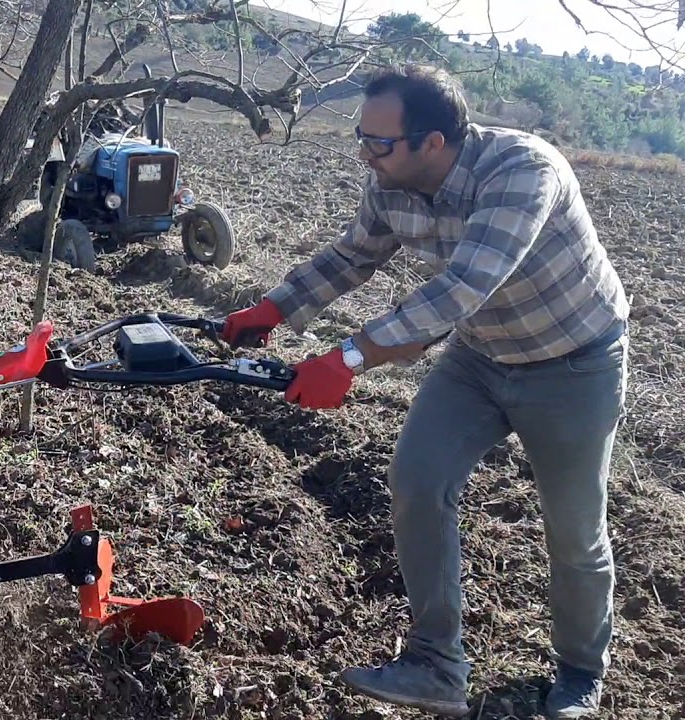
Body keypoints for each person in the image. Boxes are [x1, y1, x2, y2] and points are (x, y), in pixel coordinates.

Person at [222, 64, 629, 719]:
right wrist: (273, 307)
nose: (365, 154)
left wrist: (349, 358)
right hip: (478, 357)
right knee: (416, 481)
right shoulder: (390, 180)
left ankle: (581, 673)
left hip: (572, 362)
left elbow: (463, 287)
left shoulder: (523, 172)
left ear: (433, 143)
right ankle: (437, 663)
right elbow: (353, 255)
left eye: (379, 143)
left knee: (574, 530)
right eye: (362, 137)